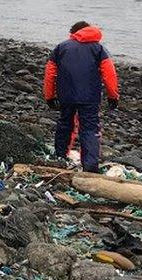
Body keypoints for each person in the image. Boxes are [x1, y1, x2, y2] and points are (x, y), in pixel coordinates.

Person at [43, 21, 120, 173]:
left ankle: (60, 156)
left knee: (65, 124)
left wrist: (49, 96)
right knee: (90, 128)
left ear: (74, 33)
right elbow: (109, 73)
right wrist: (113, 95)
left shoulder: (61, 47)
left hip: (66, 95)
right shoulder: (98, 49)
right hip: (89, 96)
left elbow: (50, 73)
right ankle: (90, 165)